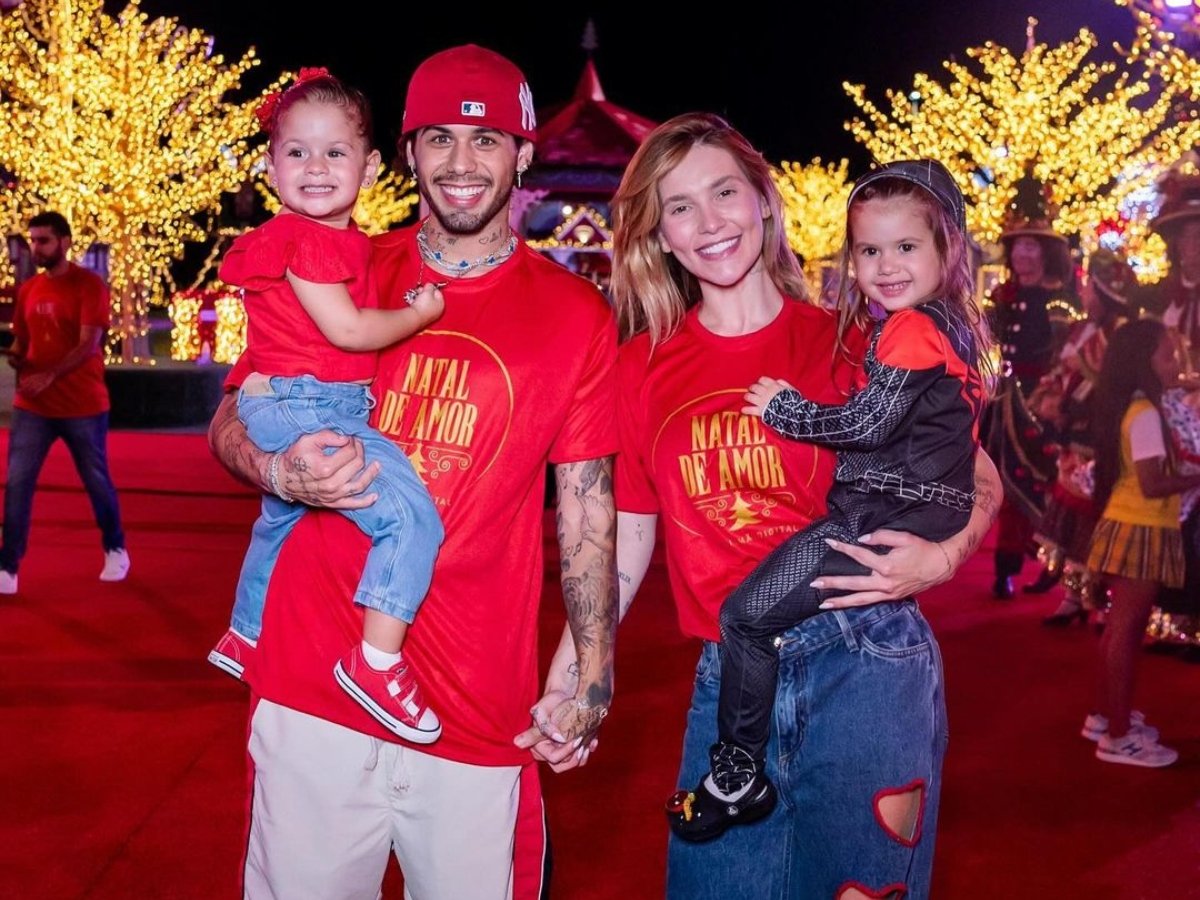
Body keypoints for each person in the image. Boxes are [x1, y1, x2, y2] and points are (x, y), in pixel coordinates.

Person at [539, 113, 1000, 898]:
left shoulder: (854, 342)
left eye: (725, 192)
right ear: (660, 234)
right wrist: (576, 679)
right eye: (680, 206)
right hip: (732, 678)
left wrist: (944, 557)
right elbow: (622, 543)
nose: (709, 222)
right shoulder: (639, 368)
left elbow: (978, 475)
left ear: (763, 203)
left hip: (865, 661)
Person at [208, 45, 616, 899]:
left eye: (487, 141)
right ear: (405, 153)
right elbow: (232, 415)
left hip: (476, 707)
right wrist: (279, 470)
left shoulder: (577, 316)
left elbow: (587, 509)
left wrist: (590, 670)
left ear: (525, 153)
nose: (461, 165)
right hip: (311, 688)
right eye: (438, 140)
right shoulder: (341, 262)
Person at [660, 159, 993, 843]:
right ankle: (739, 769)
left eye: (907, 247)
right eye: (870, 249)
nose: (886, 264)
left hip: (874, 578)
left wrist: (787, 410)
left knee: (746, 616)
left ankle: (734, 773)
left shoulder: (895, 329)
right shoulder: (935, 323)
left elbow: (940, 452)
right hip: (887, 520)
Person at [204, 68, 446, 744]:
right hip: (314, 405)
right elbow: (347, 331)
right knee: (412, 519)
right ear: (268, 164)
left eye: (334, 152)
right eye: (297, 152)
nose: (315, 167)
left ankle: (246, 634)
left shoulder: (333, 242)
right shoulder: (307, 239)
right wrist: (418, 312)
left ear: (369, 168)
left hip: (291, 400)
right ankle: (376, 662)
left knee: (275, 525)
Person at [1083, 317, 1199, 767]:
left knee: (1120, 630)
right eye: (1168, 355)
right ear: (1144, 362)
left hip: (1134, 523)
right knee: (1126, 633)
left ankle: (1106, 715)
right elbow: (1152, 484)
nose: (1176, 364)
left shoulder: (1137, 407)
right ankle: (1118, 735)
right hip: (1142, 526)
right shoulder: (1147, 413)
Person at [0, 211, 129, 594]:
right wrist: (18, 356)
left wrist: (48, 375)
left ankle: (115, 546)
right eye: (33, 241)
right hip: (33, 406)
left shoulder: (89, 285)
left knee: (95, 481)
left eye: (44, 241)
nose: (36, 248)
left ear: (65, 242)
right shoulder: (28, 289)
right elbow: (25, 341)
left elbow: (88, 344)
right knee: (18, 484)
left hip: (82, 405)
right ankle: (8, 567)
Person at [983, 174, 1078, 598]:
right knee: (1002, 483)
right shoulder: (1002, 295)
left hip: (1043, 401)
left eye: (1030, 245)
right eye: (1017, 245)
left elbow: (1066, 353)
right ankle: (1004, 568)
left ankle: (1051, 562)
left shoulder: (1059, 297)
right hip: (1004, 401)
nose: (1022, 253)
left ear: (1045, 252)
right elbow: (984, 340)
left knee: (1047, 483)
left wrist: (1056, 397)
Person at [1032, 249, 1133, 626]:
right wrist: (1050, 399)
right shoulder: (1081, 330)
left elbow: (1115, 386)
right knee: (1070, 517)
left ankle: (1099, 602)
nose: (1084, 294)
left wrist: (1081, 382)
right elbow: (1059, 370)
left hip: (1100, 436)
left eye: (1090, 287)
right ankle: (1072, 597)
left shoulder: (1120, 333)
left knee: (1096, 520)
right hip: (1071, 433)